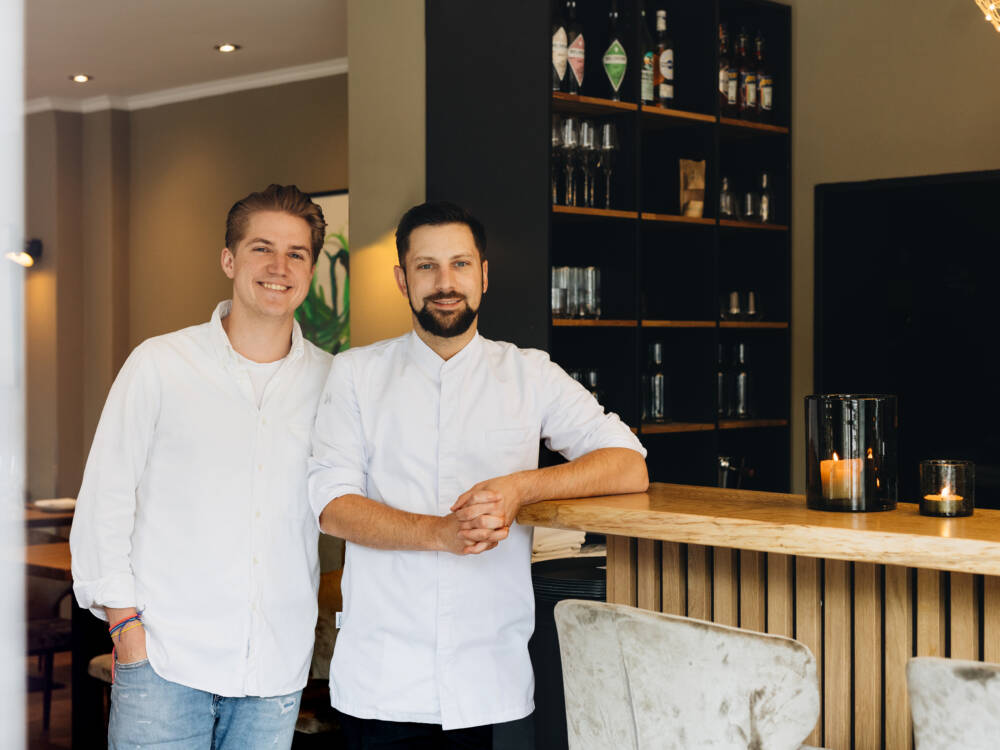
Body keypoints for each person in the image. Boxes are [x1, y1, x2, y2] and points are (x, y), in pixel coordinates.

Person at [308, 201, 648, 748]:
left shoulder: (528, 372)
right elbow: (333, 506)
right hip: (383, 678)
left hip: (488, 676)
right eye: (427, 267)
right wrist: (440, 533)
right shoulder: (355, 375)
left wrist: (520, 487)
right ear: (402, 279)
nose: (446, 283)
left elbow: (628, 463)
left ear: (484, 275)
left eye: (461, 264)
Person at [70, 184, 333, 749]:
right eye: (262, 248)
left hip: (274, 670)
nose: (279, 267)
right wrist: (126, 631)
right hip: (164, 664)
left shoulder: (334, 383)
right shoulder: (161, 364)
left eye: (297, 253)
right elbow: (105, 500)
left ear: (309, 268)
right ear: (229, 260)